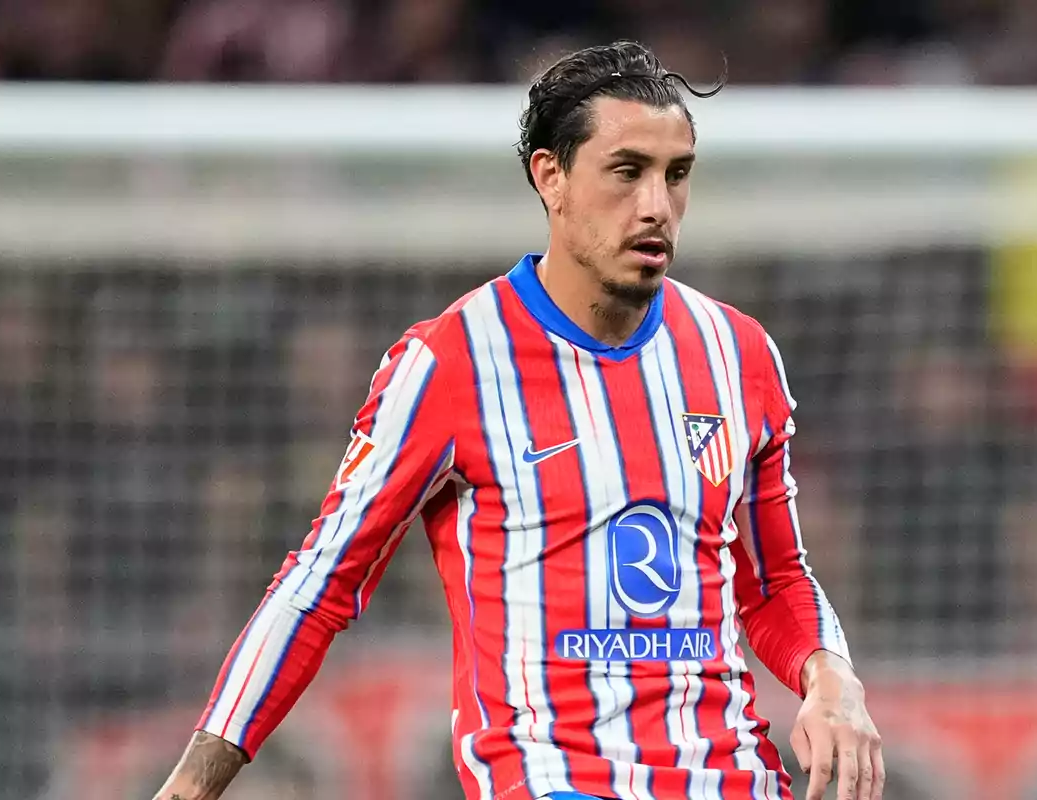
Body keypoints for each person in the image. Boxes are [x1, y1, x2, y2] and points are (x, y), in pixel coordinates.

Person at [154, 40, 884, 800]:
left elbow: (773, 582)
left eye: (676, 175)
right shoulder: (453, 361)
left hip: (727, 776)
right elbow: (319, 584)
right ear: (551, 177)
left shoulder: (738, 354)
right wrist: (192, 783)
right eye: (627, 172)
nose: (656, 206)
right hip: (552, 778)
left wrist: (830, 674)